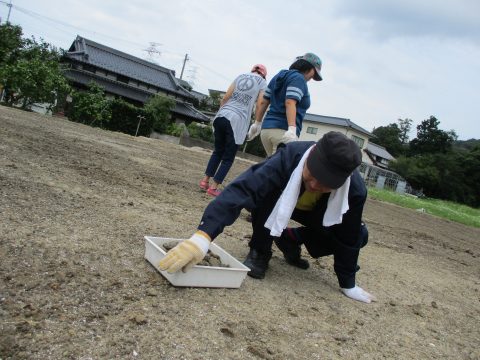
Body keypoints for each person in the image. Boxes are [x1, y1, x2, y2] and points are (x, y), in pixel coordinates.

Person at [159, 131, 376, 304]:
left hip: (317, 215)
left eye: (327, 183)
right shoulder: (290, 156)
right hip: (279, 202)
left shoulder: (354, 190)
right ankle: (260, 250)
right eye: (315, 174)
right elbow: (244, 189)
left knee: (359, 234)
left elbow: (348, 237)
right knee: (264, 195)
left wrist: (348, 283)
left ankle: (291, 237)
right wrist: (202, 237)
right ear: (310, 156)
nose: (316, 185)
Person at [199, 64, 268, 196]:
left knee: (217, 151)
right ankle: (213, 188)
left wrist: (221, 111)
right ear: (263, 74)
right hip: (237, 120)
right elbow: (260, 103)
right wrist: (257, 123)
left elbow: (225, 97)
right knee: (228, 157)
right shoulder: (262, 82)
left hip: (221, 116)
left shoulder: (240, 76)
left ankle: (205, 181)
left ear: (252, 70)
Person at [247, 53, 322, 157]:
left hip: (266, 130)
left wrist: (257, 123)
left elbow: (264, 101)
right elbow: (290, 102)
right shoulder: (299, 79)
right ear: (309, 68)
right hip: (283, 131)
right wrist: (292, 129)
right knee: (278, 170)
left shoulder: (278, 76)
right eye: (314, 73)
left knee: (271, 167)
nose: (312, 78)